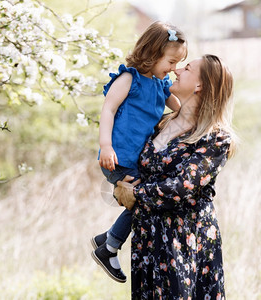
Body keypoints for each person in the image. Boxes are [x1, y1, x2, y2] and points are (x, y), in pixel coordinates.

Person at [114, 54, 236, 299]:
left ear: (200, 85)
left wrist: (135, 193)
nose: (177, 70)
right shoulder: (160, 123)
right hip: (147, 239)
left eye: (187, 68)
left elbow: (181, 187)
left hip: (183, 242)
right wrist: (119, 183)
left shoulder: (215, 138)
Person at [91, 21, 188, 283]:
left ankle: (105, 238)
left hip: (138, 159)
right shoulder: (129, 79)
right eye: (171, 61)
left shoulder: (160, 84)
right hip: (118, 156)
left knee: (143, 200)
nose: (174, 69)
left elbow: (180, 107)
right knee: (142, 202)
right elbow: (108, 110)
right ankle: (109, 247)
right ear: (152, 53)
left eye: (179, 63)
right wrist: (105, 146)